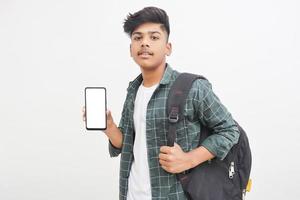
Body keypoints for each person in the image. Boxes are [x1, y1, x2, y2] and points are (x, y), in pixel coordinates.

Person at [83, 6, 240, 200]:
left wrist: (189, 159)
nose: (144, 43)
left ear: (168, 47)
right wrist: (109, 127)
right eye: (137, 38)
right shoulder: (134, 90)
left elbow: (230, 130)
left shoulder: (193, 87)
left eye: (154, 37)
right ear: (131, 49)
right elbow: (126, 144)